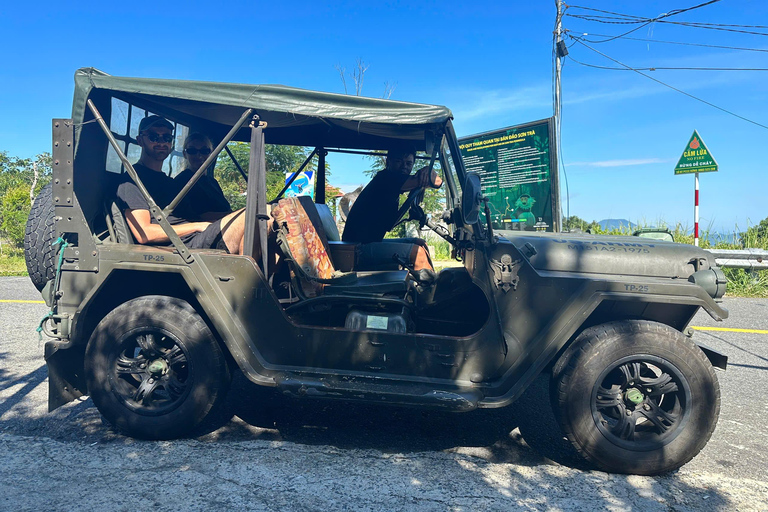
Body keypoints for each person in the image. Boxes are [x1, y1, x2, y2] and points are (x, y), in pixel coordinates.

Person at [116, 115, 251, 255]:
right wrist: (198, 226)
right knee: (256, 215)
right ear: (140, 140)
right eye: (154, 137)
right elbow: (144, 233)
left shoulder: (169, 183)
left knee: (263, 220)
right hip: (184, 247)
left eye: (167, 138)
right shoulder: (132, 182)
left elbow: (196, 216)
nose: (161, 142)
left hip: (196, 238)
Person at [342, 144, 442, 271]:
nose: (404, 167)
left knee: (420, 243)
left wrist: (429, 173)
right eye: (398, 161)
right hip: (357, 249)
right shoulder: (386, 179)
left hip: (371, 242)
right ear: (388, 162)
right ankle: (429, 289)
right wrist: (429, 170)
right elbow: (436, 182)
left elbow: (435, 181)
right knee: (418, 254)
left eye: (408, 163)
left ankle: (428, 285)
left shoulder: (394, 186)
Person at [174, 132, 232, 219]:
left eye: (204, 151)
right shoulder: (182, 181)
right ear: (184, 154)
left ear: (211, 154)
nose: (199, 155)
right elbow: (196, 216)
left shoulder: (212, 182)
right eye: (192, 151)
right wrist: (233, 216)